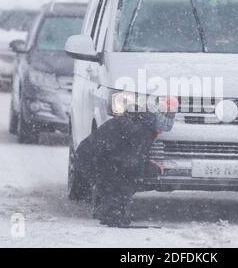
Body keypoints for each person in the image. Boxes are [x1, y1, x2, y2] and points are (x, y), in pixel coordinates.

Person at [74, 96, 179, 227]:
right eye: (168, 115)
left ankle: (110, 212)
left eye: (172, 116)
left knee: (116, 178)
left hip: (93, 157)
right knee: (124, 179)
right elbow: (131, 164)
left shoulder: (139, 122)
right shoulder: (141, 130)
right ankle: (113, 213)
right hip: (91, 159)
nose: (169, 122)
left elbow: (131, 157)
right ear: (158, 113)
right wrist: (155, 168)